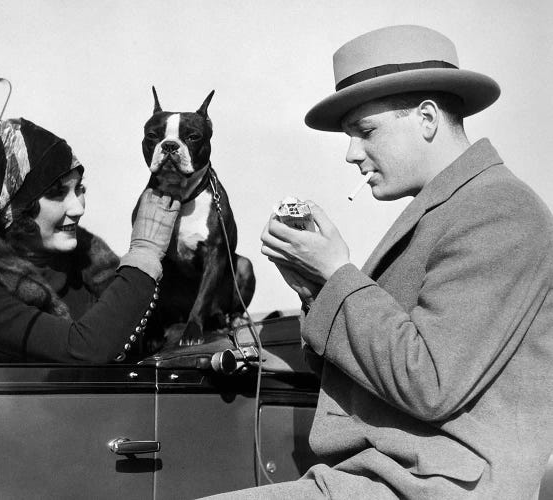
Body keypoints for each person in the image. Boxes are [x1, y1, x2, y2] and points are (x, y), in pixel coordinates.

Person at [210, 25, 553, 499]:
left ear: (427, 117)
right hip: (387, 479)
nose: (352, 154)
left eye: (365, 131)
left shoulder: (499, 210)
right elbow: (382, 364)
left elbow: (428, 381)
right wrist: (317, 288)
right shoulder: (453, 208)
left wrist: (337, 275)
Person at [0, 117, 180, 363]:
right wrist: (144, 254)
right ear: (15, 207)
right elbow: (85, 348)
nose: (77, 208)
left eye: (79, 189)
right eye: (57, 193)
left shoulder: (88, 269)